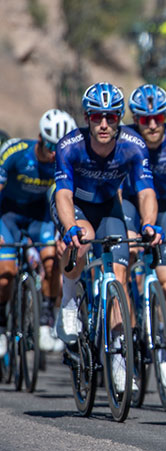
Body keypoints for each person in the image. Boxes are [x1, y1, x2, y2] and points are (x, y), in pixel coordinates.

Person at [53, 82, 163, 393]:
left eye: (111, 117)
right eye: (97, 117)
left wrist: (150, 224)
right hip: (74, 205)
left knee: (120, 270)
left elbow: (146, 193)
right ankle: (70, 299)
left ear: (119, 118)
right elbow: (62, 194)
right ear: (87, 117)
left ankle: (119, 356)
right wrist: (69, 227)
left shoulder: (133, 145)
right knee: (84, 238)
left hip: (108, 206)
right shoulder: (69, 145)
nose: (103, 124)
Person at [122, 83, 166, 390]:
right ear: (135, 119)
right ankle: (128, 336)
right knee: (128, 261)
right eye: (144, 119)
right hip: (128, 206)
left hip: (163, 210)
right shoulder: (125, 138)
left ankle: (163, 350)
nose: (151, 124)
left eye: (157, 117)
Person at [0, 109, 76, 356]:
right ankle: (2, 326)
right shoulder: (15, 152)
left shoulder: (64, 161)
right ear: (40, 138)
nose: (54, 153)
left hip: (40, 216)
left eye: (60, 147)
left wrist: (63, 231)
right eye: (49, 145)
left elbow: (66, 200)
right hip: (7, 215)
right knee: (5, 274)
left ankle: (45, 319)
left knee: (52, 261)